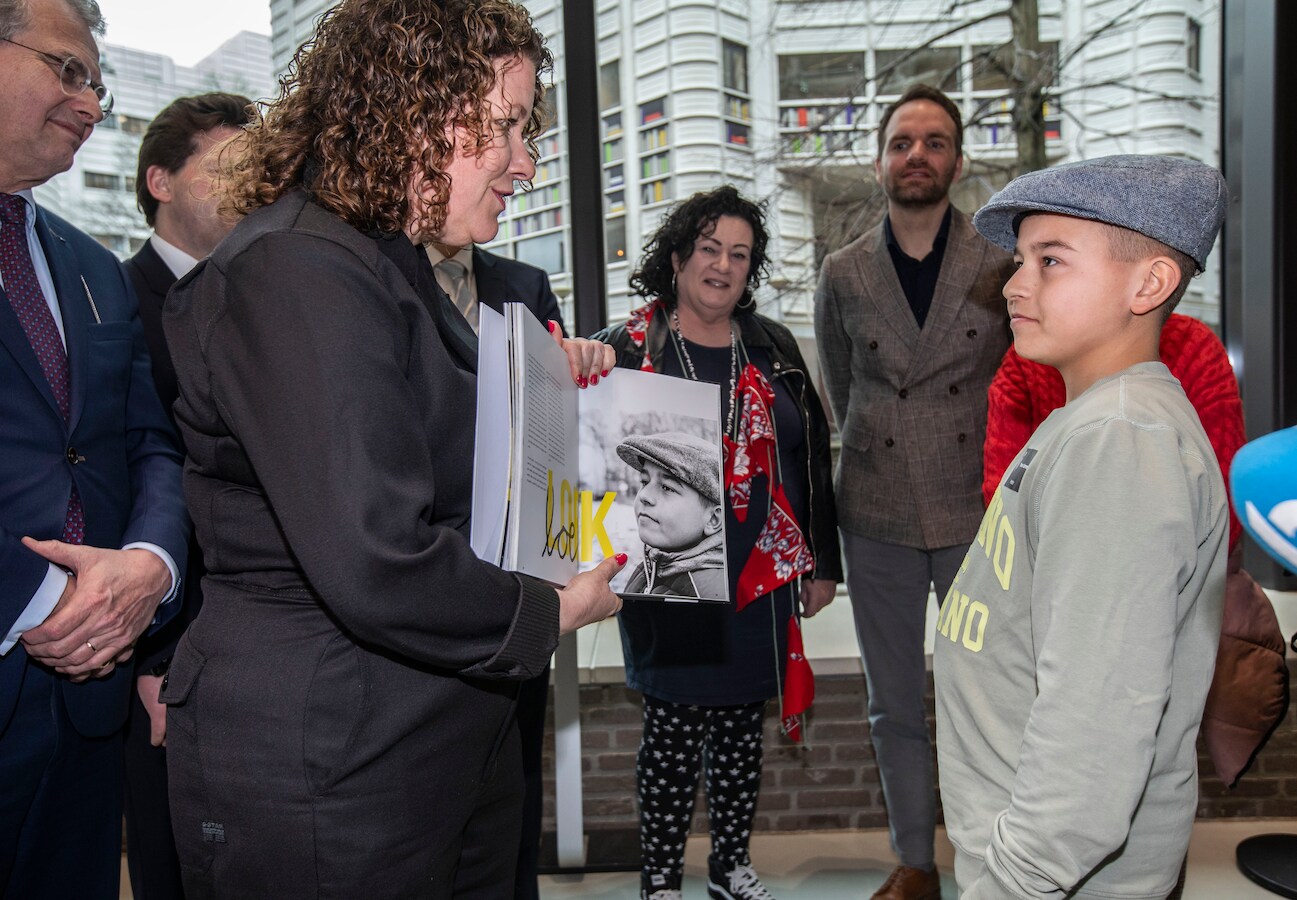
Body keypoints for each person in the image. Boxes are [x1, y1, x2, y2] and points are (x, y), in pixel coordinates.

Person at [158, 1, 623, 896]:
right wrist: (551, 611)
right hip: (329, 754)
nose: (526, 163)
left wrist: (549, 396)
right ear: (418, 112)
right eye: (510, 127)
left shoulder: (385, 261)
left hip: (424, 735)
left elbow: (450, 454)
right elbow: (377, 553)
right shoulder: (297, 268)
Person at [935, 154, 1230, 898]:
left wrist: (1010, 884)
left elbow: (1093, 731)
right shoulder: (1087, 422)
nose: (1013, 282)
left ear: (1148, 283)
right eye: (1019, 259)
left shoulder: (1119, 442)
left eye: (1051, 259)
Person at [595, 185, 842, 900]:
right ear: (676, 257)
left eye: (738, 254)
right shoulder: (628, 346)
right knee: (671, 735)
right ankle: (661, 880)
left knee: (739, 731)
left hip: (760, 577)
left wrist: (820, 562)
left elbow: (809, 457)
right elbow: (594, 462)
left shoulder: (772, 345)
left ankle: (730, 867)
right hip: (673, 573)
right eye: (708, 248)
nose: (721, 265)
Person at [0, 0, 189, 896]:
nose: (89, 103)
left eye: (98, 86)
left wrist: (147, 566)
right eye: (68, 70)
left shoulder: (91, 265)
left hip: (89, 695)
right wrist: (44, 596)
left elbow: (147, 442)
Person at [811, 82, 1012, 900]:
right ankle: (915, 862)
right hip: (877, 510)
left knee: (989, 699)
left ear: (956, 162)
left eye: (933, 142)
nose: (916, 155)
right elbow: (838, 381)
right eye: (901, 142)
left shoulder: (998, 265)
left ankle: (995, 856)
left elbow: (1015, 384)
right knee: (891, 703)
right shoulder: (844, 270)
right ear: (879, 161)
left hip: (975, 508)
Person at [122, 90, 252, 900]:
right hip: (166, 651)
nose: (253, 184)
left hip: (267, 648)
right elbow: (133, 481)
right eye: (231, 165)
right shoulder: (103, 302)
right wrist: (154, 651)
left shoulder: (261, 299)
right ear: (160, 179)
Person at [425, 193, 565, 900]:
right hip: (429, 564)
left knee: (516, 761)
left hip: (520, 573)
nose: (516, 164)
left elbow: (555, 410)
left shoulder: (525, 285)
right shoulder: (384, 279)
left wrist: (578, 366)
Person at [617, 431, 727, 599]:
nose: (644, 496)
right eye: (645, 482)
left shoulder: (706, 595)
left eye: (667, 488)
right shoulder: (651, 568)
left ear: (713, 519)